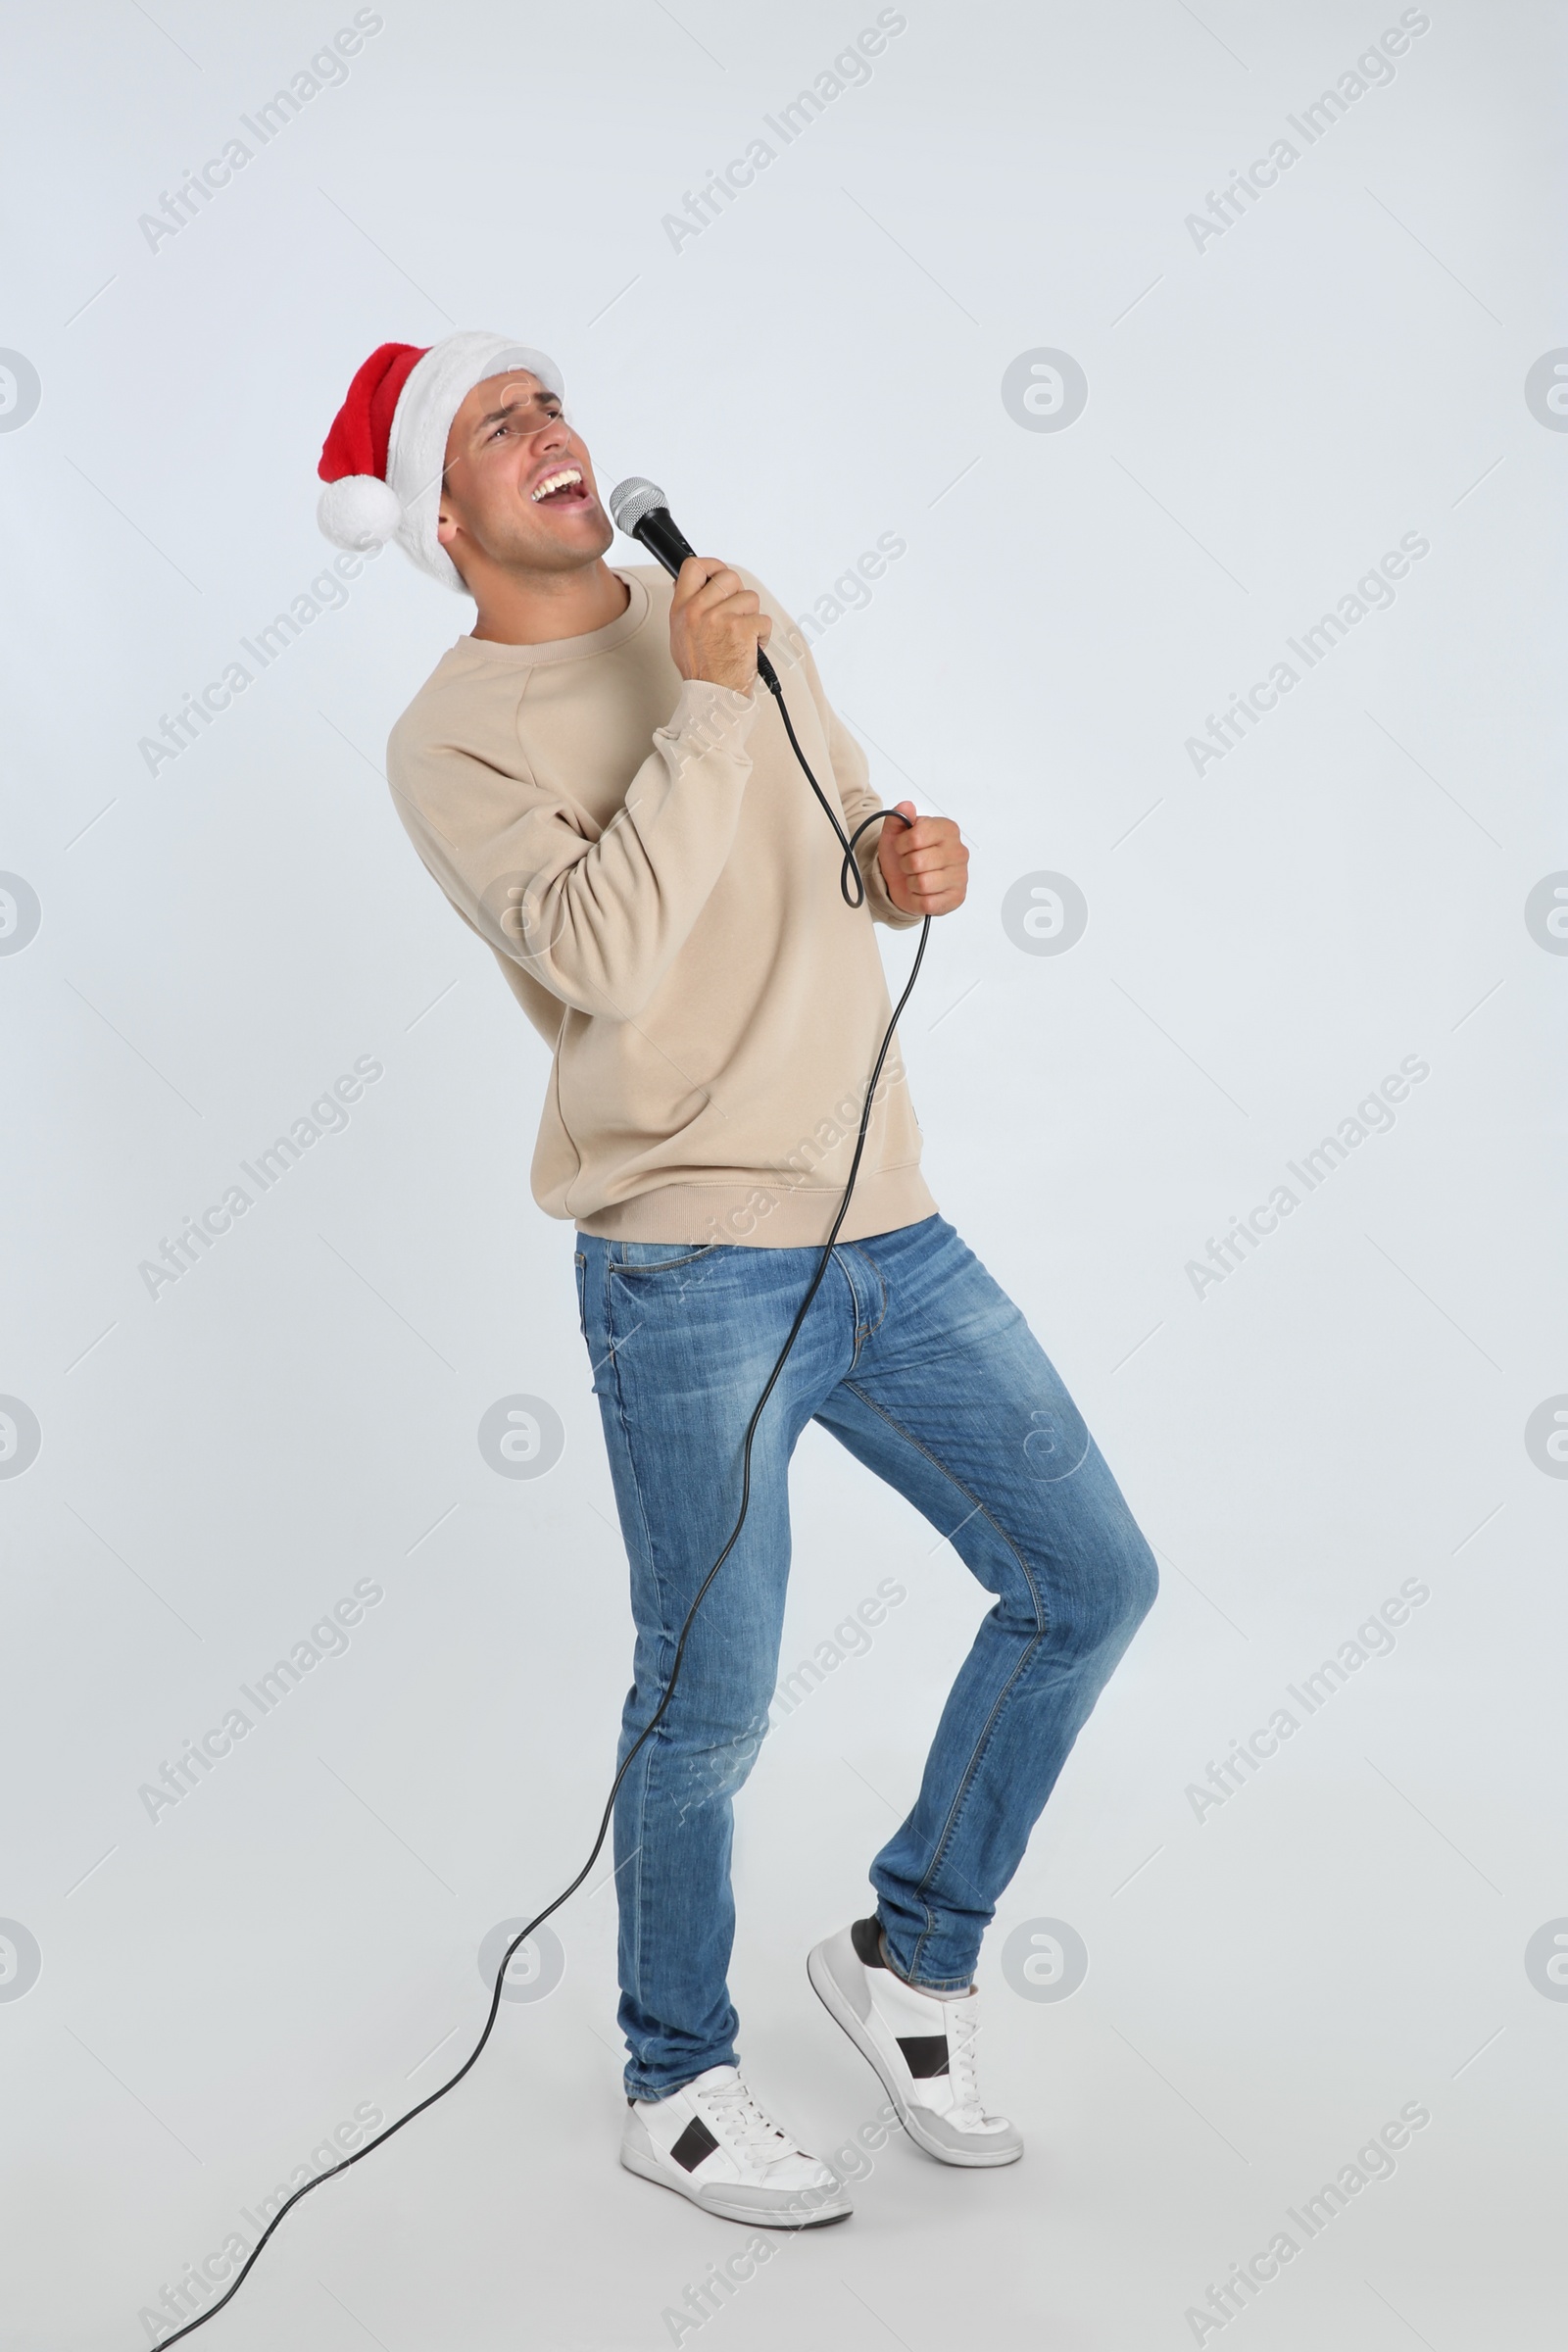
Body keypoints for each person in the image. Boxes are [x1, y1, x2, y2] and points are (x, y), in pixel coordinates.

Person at [317, 331, 1158, 2230]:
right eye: (495, 421)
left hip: (888, 1225)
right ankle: (673, 2077)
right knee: (708, 1703)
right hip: (688, 1262)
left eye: (549, 399)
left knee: (1087, 1579)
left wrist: (900, 860)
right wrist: (702, 707)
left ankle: (906, 1953)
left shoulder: (727, 613)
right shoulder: (449, 736)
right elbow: (608, 952)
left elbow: (828, 847)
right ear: (440, 517)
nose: (549, 432)